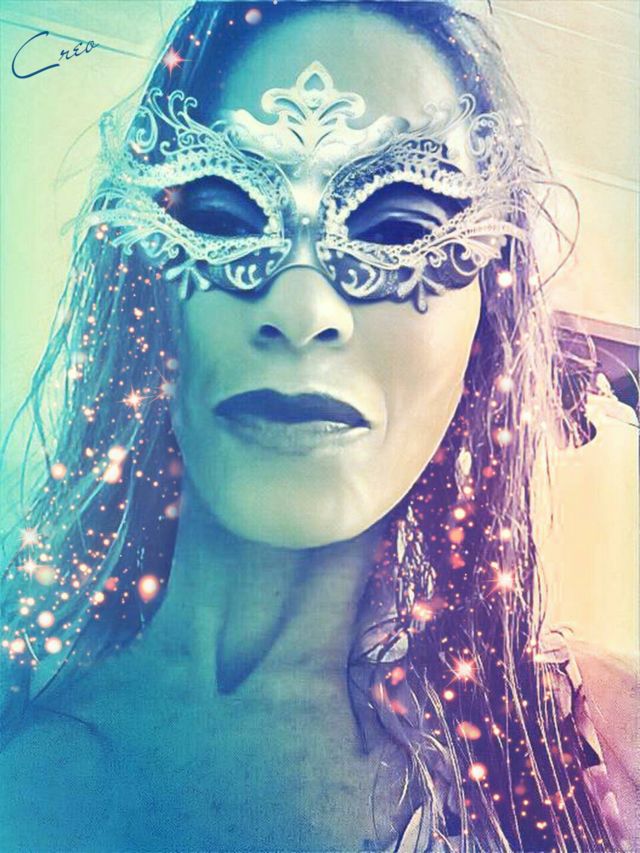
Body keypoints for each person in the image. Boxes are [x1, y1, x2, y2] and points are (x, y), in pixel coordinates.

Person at [0, 2, 637, 851]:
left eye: (400, 226)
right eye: (223, 212)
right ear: (142, 276)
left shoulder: (592, 749)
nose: (302, 310)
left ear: (487, 321)